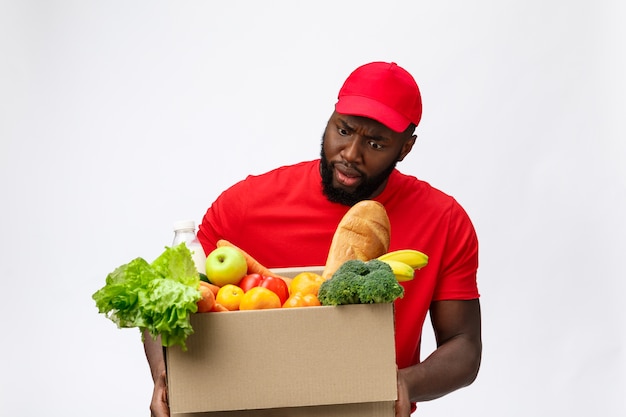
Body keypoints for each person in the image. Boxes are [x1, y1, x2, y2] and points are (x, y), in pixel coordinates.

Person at [144, 61, 482, 417]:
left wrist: (405, 382)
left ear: (405, 149)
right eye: (344, 130)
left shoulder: (444, 220)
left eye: (375, 143)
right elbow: (162, 298)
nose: (351, 153)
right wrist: (165, 377)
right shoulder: (246, 205)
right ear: (330, 120)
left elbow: (464, 346)